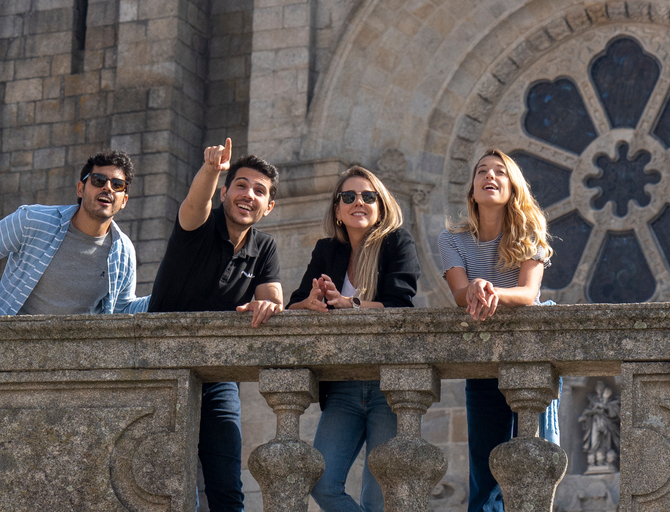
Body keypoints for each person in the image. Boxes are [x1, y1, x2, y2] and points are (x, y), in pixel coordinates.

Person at [148, 138, 283, 511]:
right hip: (163, 366)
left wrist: (268, 302)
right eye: (241, 185)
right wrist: (211, 169)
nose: (248, 195)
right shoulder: (200, 225)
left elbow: (272, 293)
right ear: (225, 191)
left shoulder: (264, 247)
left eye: (259, 191)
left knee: (227, 486)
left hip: (219, 375)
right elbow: (195, 203)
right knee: (173, 483)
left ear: (268, 207)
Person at [288, 166, 420, 512]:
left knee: (379, 499)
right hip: (343, 386)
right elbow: (296, 302)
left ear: (381, 205)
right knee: (321, 482)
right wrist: (311, 303)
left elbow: (400, 303)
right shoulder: (326, 251)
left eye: (367, 196)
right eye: (348, 197)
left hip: (387, 385)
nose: (357, 202)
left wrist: (351, 305)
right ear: (337, 210)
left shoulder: (397, 243)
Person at [437, 148, 558, 512]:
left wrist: (489, 289)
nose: (490, 176)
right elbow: (460, 293)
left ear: (513, 186)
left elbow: (528, 293)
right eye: (482, 172)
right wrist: (473, 289)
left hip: (531, 355)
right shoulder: (452, 240)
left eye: (500, 172)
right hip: (483, 361)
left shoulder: (530, 233)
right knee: (485, 477)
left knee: (537, 468)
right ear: (472, 190)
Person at [0, 149, 148, 316]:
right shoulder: (33, 220)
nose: (107, 188)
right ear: (81, 189)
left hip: (76, 356)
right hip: (9, 347)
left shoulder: (123, 251)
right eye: (98, 180)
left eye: (117, 185)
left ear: (124, 201)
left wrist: (173, 292)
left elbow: (122, 310)